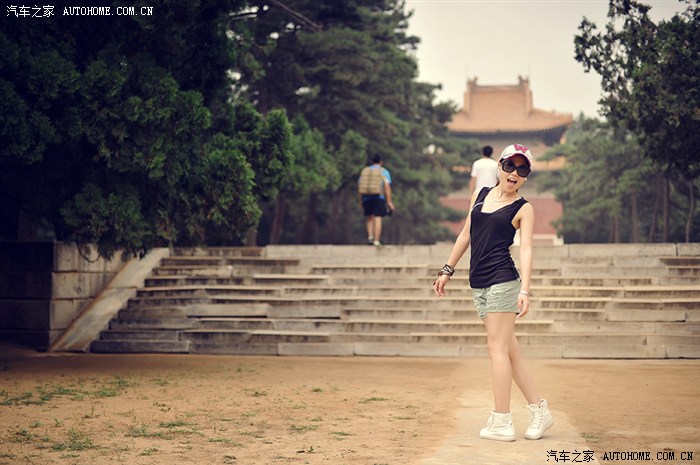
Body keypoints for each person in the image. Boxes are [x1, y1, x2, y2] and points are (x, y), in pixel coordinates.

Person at [433, 143, 553, 442]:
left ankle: (502, 420)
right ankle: (539, 409)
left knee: (496, 349)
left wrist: (525, 289)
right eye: (510, 166)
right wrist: (447, 269)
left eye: (522, 169)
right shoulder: (480, 194)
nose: (514, 173)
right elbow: (466, 235)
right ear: (500, 166)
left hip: (503, 279)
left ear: (526, 176)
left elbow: (526, 250)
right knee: (509, 349)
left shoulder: (523, 208)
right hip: (479, 282)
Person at [358, 154, 395, 246]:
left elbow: (360, 186)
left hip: (366, 197)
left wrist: (361, 200)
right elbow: (387, 187)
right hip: (378, 197)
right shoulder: (384, 171)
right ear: (381, 162)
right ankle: (376, 240)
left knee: (369, 217)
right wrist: (389, 201)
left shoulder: (365, 171)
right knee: (377, 218)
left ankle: (370, 236)